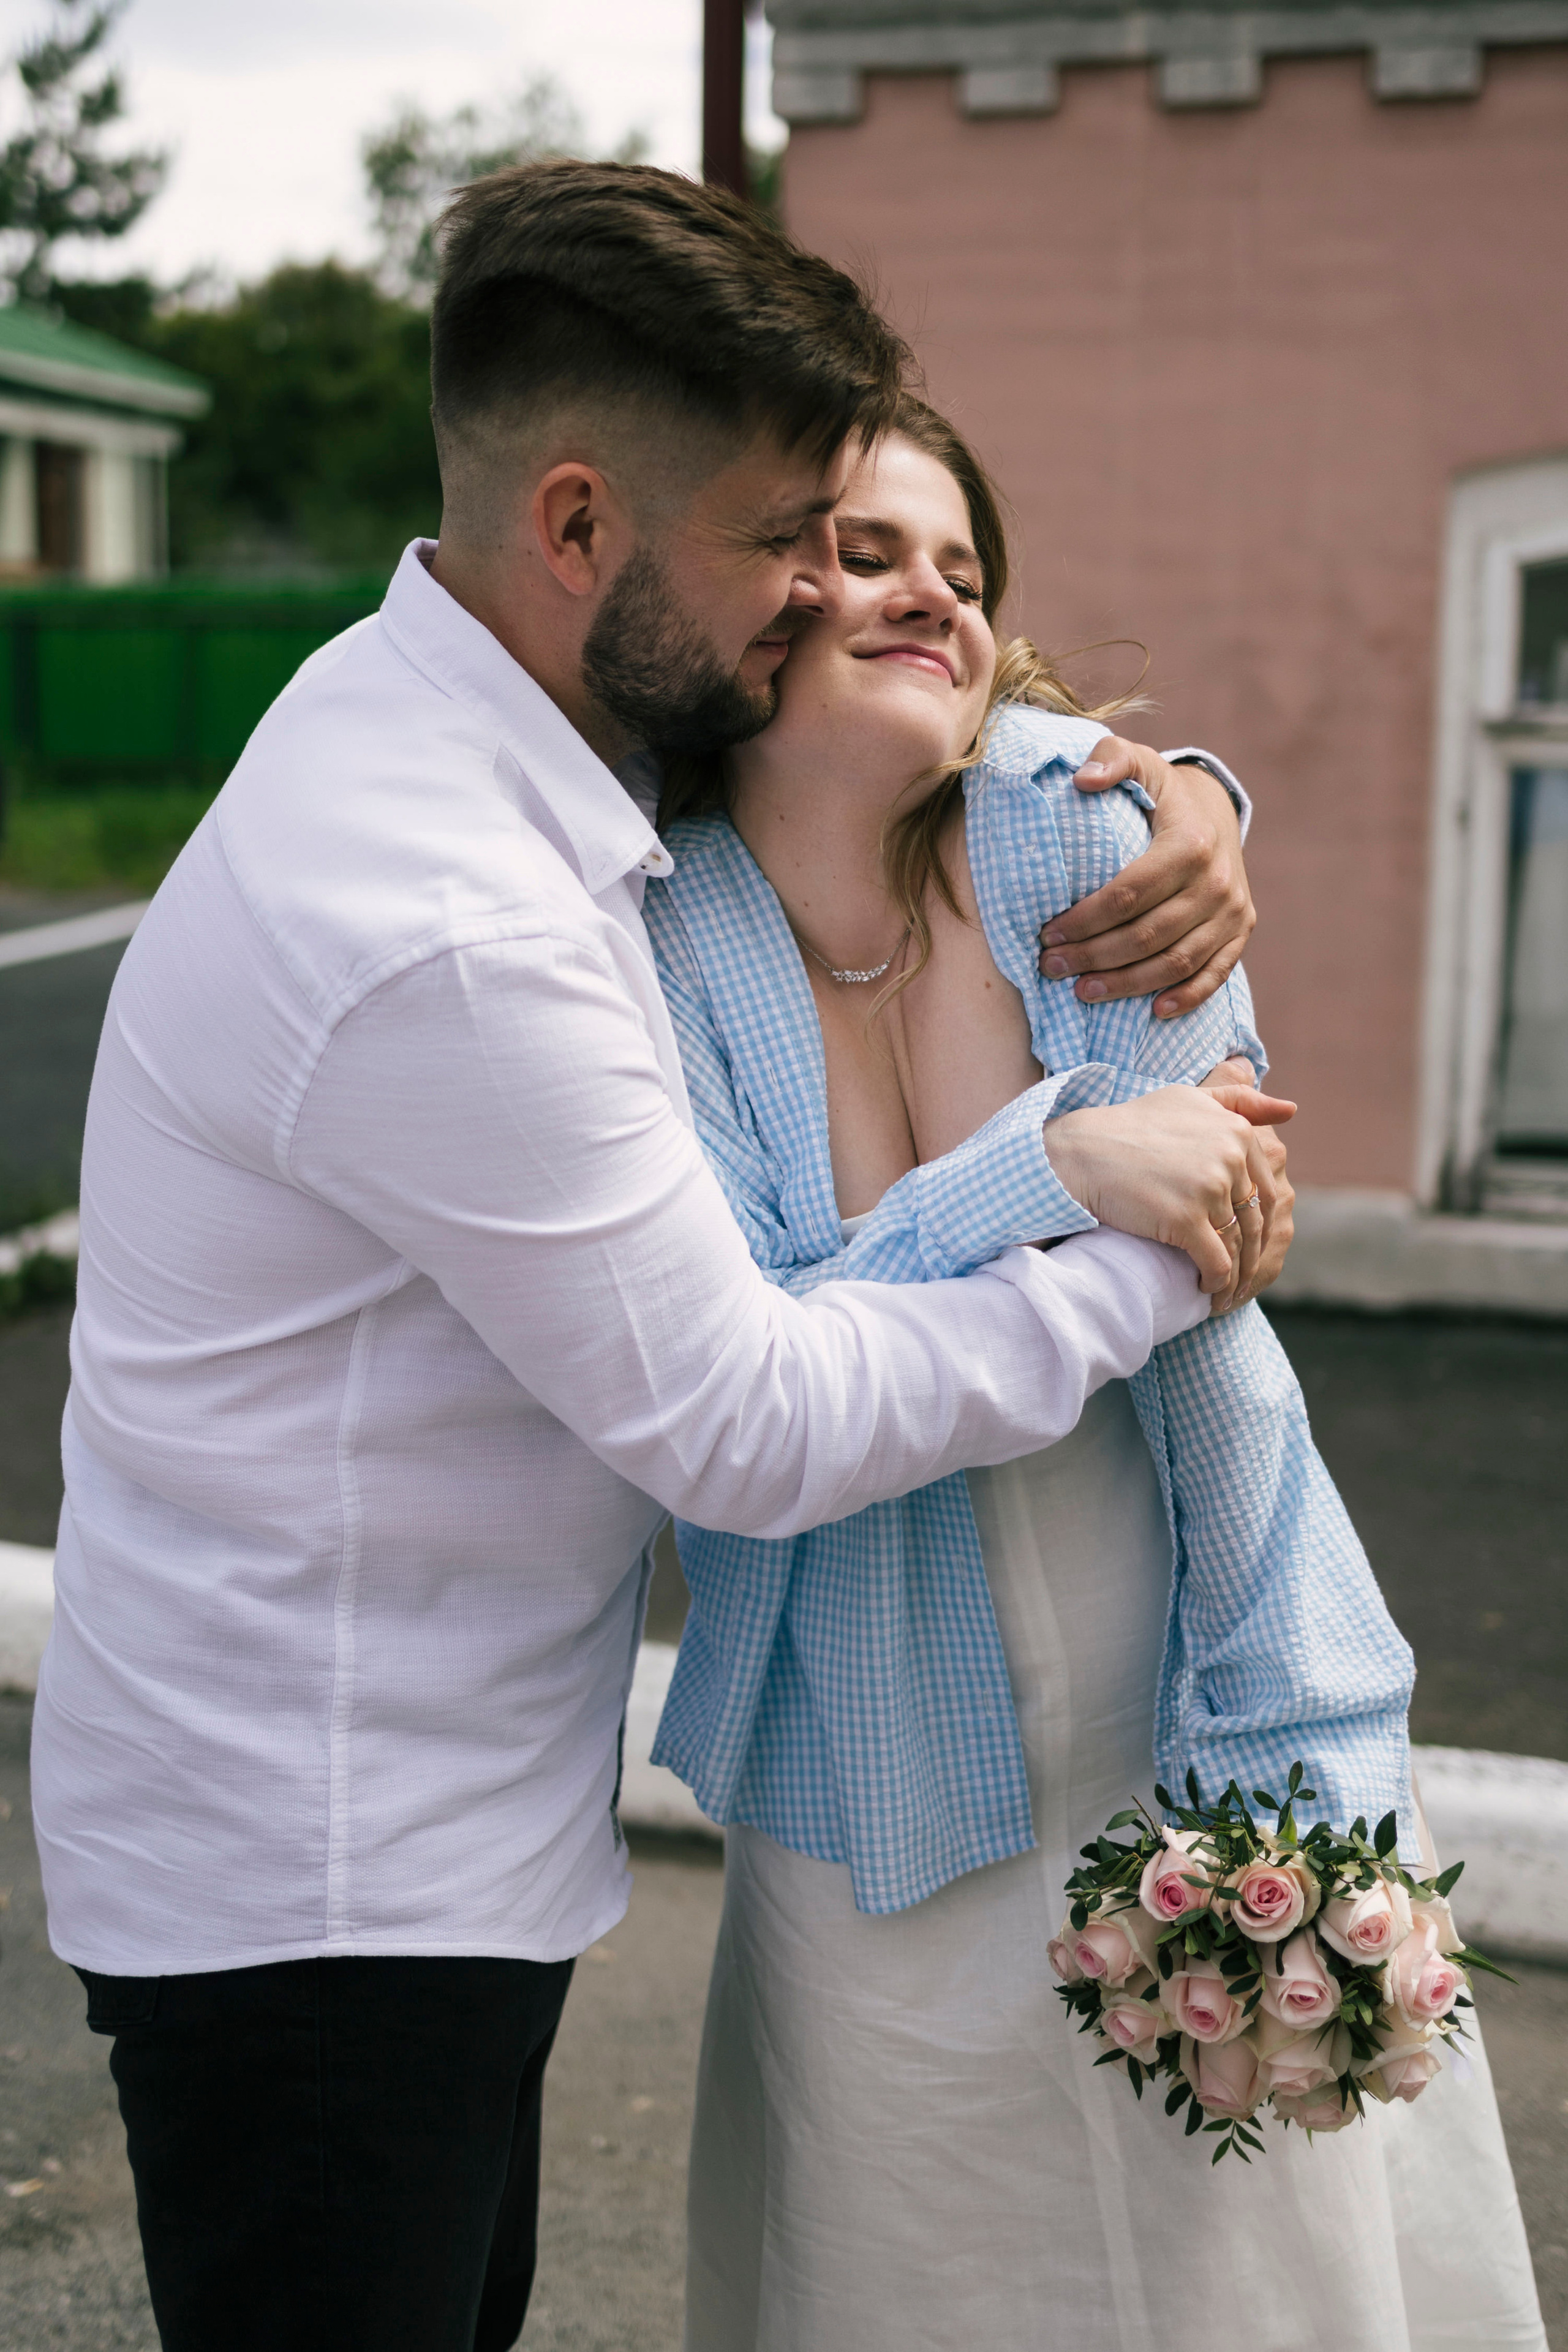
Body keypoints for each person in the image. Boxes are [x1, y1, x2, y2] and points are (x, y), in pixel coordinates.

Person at [29, 165, 1266, 2352]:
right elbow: (750, 1418)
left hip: (408, 1826)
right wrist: (1111, 1215)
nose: (820, 591)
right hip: (326, 1887)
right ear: (579, 530)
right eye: (785, 538)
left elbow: (928, 741)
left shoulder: (472, 707)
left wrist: (1182, 789)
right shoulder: (449, 921)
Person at [642, 396, 1546, 2352]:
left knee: (1255, 2252)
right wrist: (1047, 1160)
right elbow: (750, 1356)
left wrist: (983, 1211)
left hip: (1187, 1641)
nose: (932, 597)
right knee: (912, 2230)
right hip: (863, 1710)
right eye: (870, 552)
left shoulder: (1100, 828)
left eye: (965, 570)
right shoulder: (655, 929)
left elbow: (1207, 1223)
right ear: (754, 598)